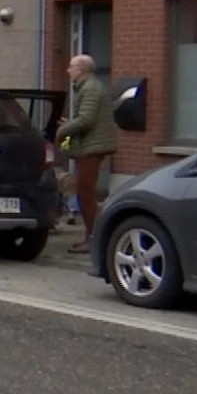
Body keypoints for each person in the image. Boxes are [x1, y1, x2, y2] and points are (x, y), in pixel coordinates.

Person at [54, 54, 118, 253]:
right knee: (85, 193)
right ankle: (93, 237)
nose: (68, 70)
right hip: (91, 145)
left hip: (93, 146)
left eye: (71, 66)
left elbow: (86, 120)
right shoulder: (89, 87)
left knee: (85, 193)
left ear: (81, 70)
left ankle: (94, 238)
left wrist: (63, 131)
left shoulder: (90, 89)